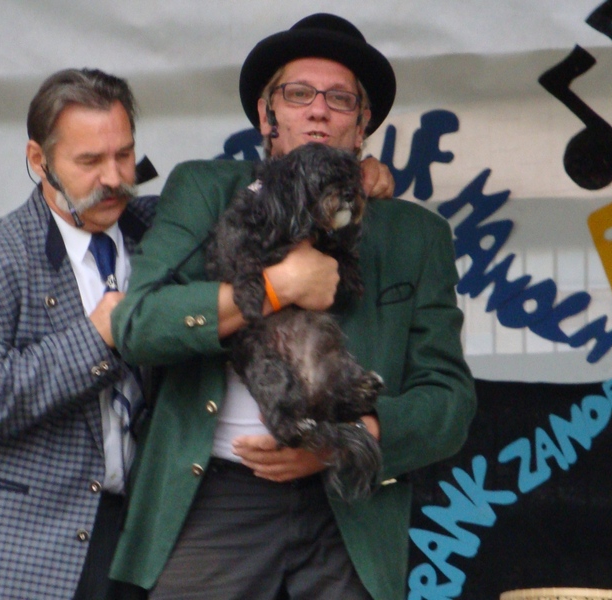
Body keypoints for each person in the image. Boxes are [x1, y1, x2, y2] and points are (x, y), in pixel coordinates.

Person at [109, 13, 477, 600]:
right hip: (216, 495)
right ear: (267, 115)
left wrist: (347, 439)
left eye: (340, 98)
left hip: (350, 506)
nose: (318, 111)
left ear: (362, 125)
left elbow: (450, 402)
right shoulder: (205, 189)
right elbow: (139, 324)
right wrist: (278, 287)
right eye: (299, 93)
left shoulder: (415, 234)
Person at [0, 68, 155, 600]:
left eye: (124, 155)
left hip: (138, 539)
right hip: (17, 553)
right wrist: (98, 337)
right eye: (90, 161)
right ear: (39, 160)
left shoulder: (163, 231)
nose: (114, 177)